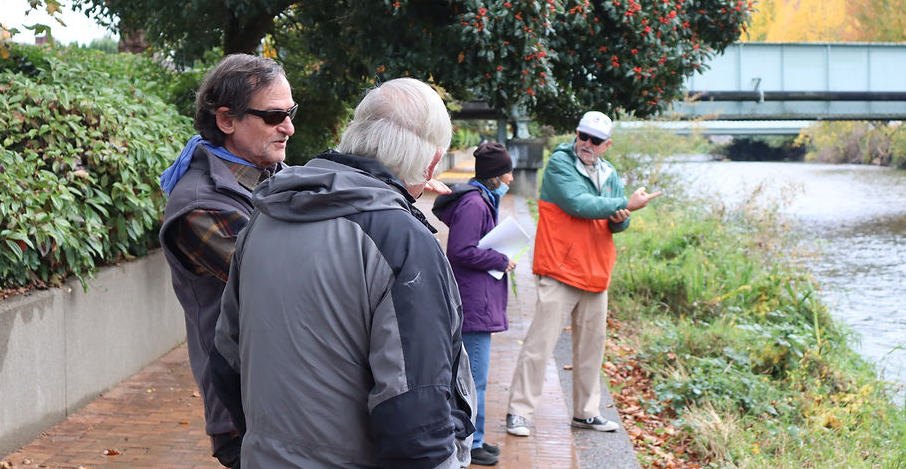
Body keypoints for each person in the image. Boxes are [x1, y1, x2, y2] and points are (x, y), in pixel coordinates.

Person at [208, 78, 476, 468]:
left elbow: (226, 361)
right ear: (433, 162)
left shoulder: (264, 219)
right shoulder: (401, 241)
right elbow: (415, 422)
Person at [158, 54, 296, 469]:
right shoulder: (200, 207)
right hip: (249, 415)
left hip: (289, 402)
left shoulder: (272, 177)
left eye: (290, 112)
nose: (288, 127)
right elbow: (288, 282)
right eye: (274, 116)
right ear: (226, 120)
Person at [505, 111, 661, 437]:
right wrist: (625, 205)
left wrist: (622, 215)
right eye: (583, 136)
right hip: (560, 269)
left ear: (607, 145)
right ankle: (519, 412)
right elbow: (579, 204)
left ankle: (586, 413)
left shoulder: (610, 174)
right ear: (576, 134)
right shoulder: (561, 164)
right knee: (540, 344)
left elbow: (619, 222)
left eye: (596, 140)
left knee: (592, 348)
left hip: (596, 272)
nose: (587, 144)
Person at [431, 142, 516, 466]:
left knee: (473, 377)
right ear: (494, 176)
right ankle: (471, 443)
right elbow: (461, 250)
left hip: (479, 300)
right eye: (506, 171)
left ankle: (475, 439)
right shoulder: (475, 205)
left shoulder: (482, 200)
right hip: (473, 306)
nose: (510, 177)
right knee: (473, 379)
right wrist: (500, 257)